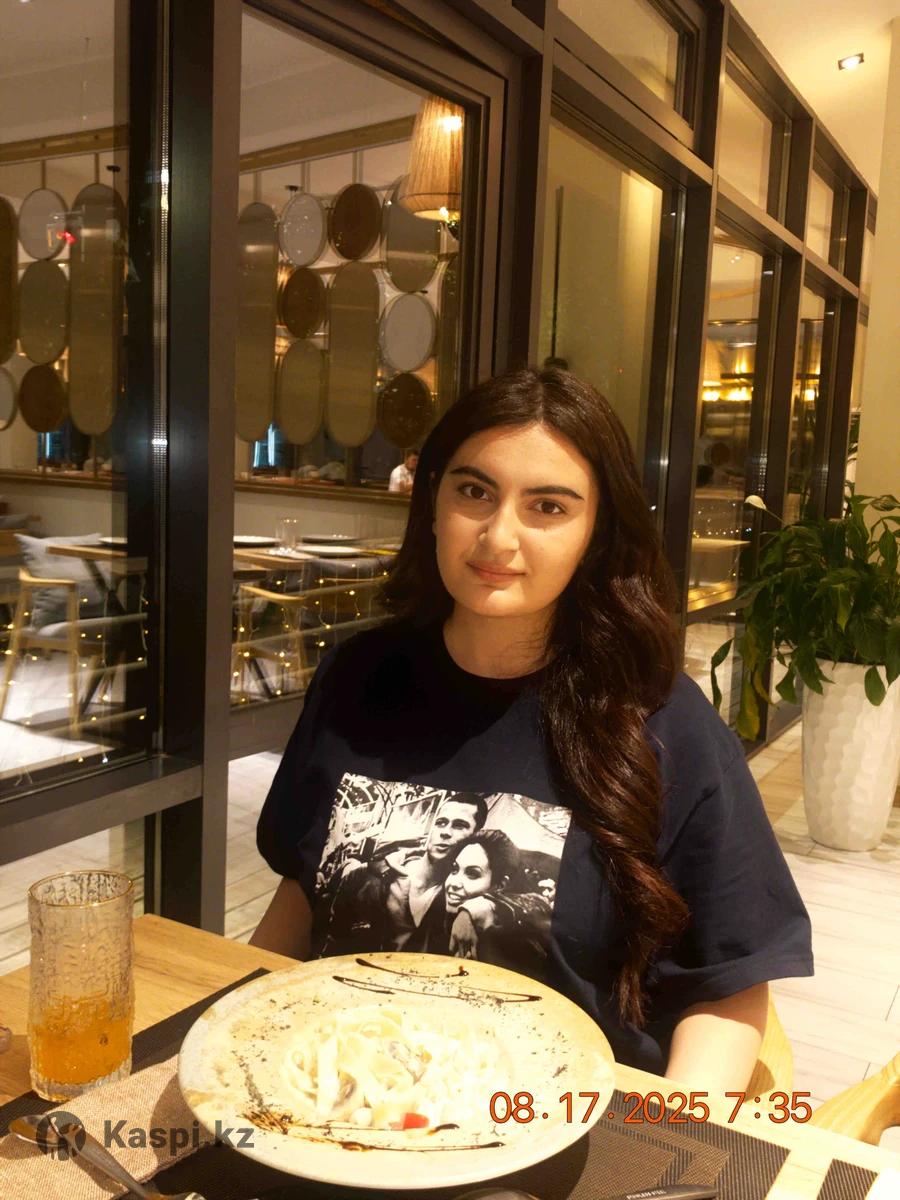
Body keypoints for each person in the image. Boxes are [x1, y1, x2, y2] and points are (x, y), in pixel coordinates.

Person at [251, 366, 813, 1092]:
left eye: (547, 506)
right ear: (432, 502)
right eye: (474, 491)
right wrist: (243, 1034)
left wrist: (664, 1137)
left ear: (596, 533)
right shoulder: (359, 675)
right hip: (340, 1093)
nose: (498, 536)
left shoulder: (661, 722)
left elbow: (728, 986)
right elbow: (303, 893)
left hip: (553, 1124)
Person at [316, 791, 487, 954]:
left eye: (459, 825)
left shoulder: (462, 894)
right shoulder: (365, 877)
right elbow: (330, 944)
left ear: (476, 836)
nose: (445, 832)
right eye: (441, 822)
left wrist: (476, 910)